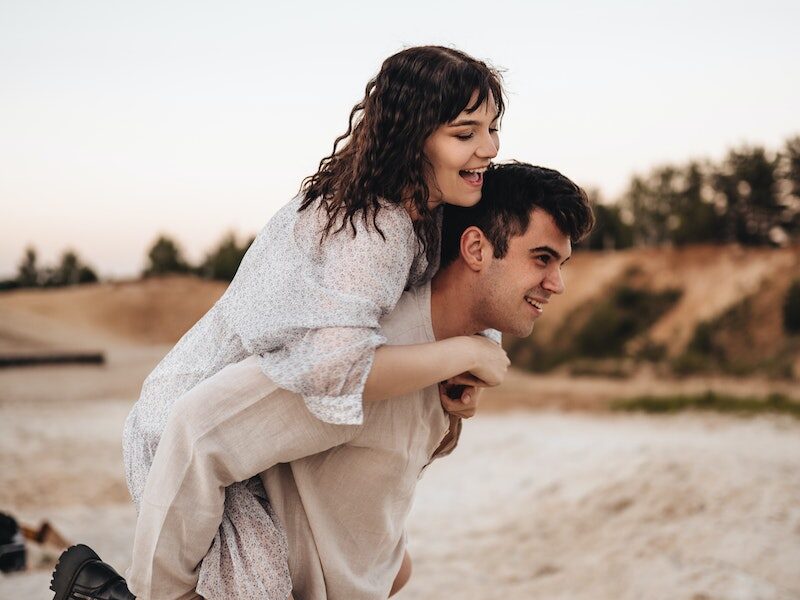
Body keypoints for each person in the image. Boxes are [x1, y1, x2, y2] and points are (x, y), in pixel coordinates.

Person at [50, 46, 508, 600]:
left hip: (257, 435)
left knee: (382, 572)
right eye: (465, 133)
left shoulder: (415, 213)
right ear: (414, 139)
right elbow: (338, 366)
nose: (489, 148)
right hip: (194, 428)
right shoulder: (373, 229)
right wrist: (465, 356)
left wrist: (465, 358)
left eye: (491, 127)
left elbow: (429, 308)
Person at [50, 162, 595, 600]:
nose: (558, 283)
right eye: (542, 259)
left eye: (562, 263)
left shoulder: (456, 360)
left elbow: (377, 476)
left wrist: (384, 568)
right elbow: (197, 429)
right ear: (476, 249)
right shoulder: (359, 358)